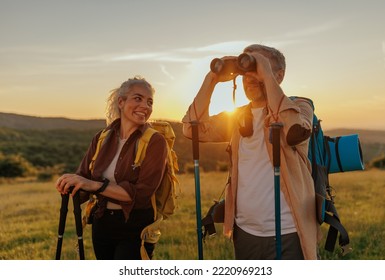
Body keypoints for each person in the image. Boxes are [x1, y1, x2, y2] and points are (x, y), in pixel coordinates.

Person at [182, 44, 321, 260]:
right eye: (246, 70)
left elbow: (295, 130)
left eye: (258, 67)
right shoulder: (237, 117)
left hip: (289, 230)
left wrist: (265, 72)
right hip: (245, 232)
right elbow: (191, 129)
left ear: (279, 75)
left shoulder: (299, 106)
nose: (250, 76)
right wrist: (212, 79)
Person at [56, 76, 167, 260]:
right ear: (121, 102)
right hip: (102, 223)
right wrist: (70, 184)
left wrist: (95, 186)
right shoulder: (101, 137)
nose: (145, 106)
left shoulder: (155, 142)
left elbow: (140, 196)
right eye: (137, 98)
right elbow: (83, 177)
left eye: (149, 102)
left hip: (136, 227)